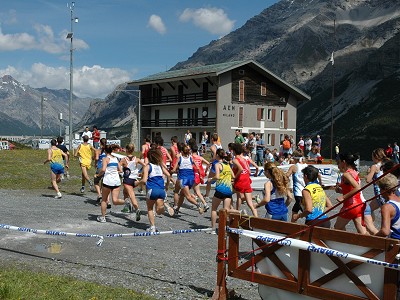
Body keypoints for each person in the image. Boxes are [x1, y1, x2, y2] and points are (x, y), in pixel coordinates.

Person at [139, 148, 173, 232]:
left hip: (152, 190)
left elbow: (144, 180)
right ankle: (165, 206)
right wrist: (167, 185)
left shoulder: (148, 166)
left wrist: (137, 183)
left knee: (150, 208)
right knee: (158, 211)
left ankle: (152, 227)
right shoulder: (160, 166)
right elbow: (168, 174)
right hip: (161, 190)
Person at [334, 153, 367, 234]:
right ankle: (374, 244)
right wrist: (341, 191)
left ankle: (345, 244)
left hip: (350, 205)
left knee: (337, 228)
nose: (338, 164)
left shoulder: (346, 174)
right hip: (359, 205)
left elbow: (358, 188)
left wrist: (343, 197)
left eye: (339, 162)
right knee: (362, 232)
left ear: (344, 162)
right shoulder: (354, 172)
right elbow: (352, 189)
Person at [95, 145, 129, 223]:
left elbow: (103, 169)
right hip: (116, 181)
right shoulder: (116, 159)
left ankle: (103, 217)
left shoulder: (105, 159)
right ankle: (125, 201)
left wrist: (98, 175)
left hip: (107, 181)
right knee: (115, 200)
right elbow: (120, 170)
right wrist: (114, 172)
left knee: (104, 200)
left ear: (105, 151)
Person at [171, 144, 204, 215]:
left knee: (186, 195)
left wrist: (171, 171)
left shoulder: (180, 158)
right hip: (191, 179)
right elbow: (198, 168)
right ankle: (177, 209)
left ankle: (198, 205)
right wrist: (200, 175)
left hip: (183, 179)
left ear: (182, 152)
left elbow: (174, 169)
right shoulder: (191, 158)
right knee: (182, 194)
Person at [210, 149, 236, 232]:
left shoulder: (218, 164)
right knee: (226, 210)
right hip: (228, 190)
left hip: (220, 189)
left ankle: (213, 228)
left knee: (214, 209)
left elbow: (217, 176)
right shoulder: (228, 165)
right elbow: (233, 176)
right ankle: (239, 212)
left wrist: (211, 179)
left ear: (217, 155)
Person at [119, 143, 146, 221]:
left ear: (126, 150)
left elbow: (118, 166)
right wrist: (142, 173)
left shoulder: (124, 159)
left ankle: (137, 209)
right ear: (133, 150)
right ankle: (126, 207)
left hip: (127, 180)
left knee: (131, 195)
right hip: (135, 179)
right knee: (125, 192)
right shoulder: (137, 159)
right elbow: (145, 165)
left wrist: (119, 172)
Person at [231, 143, 258, 217]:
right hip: (246, 181)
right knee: (249, 203)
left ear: (234, 151)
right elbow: (248, 171)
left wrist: (235, 177)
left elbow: (240, 169)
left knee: (227, 194)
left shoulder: (235, 160)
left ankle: (236, 212)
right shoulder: (244, 159)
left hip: (240, 181)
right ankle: (256, 218)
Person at [375, 174, 400, 239]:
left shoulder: (387, 207)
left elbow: (385, 231)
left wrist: (373, 237)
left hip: (394, 243)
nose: (380, 192)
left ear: (384, 190)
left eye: (380, 189)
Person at [286, 150, 308, 222]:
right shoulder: (306, 166)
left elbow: (286, 176)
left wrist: (287, 184)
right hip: (307, 190)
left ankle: (311, 221)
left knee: (304, 209)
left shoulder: (294, 167)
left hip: (298, 191)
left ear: (294, 158)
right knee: (296, 207)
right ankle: (293, 223)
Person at [366, 148, 389, 212]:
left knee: (386, 213)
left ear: (375, 157)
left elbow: (368, 180)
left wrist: (369, 172)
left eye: (372, 156)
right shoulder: (384, 165)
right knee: (367, 210)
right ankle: (370, 222)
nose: (372, 158)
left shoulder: (374, 166)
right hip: (386, 191)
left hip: (379, 193)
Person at [191, 144, 210, 212]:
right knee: (195, 190)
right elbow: (208, 163)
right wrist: (205, 171)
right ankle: (197, 199)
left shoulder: (191, 157)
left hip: (194, 174)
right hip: (200, 175)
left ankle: (204, 204)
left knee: (195, 191)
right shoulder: (200, 157)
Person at [203, 133, 222, 201]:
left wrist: (210, 161)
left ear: (212, 139)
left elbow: (215, 154)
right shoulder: (219, 144)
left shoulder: (213, 147)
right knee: (219, 179)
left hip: (215, 163)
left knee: (209, 180)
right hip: (221, 162)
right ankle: (219, 194)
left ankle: (207, 195)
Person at [94, 138, 107, 204]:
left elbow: (96, 158)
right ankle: (103, 196)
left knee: (96, 181)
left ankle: (99, 194)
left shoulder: (98, 150)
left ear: (100, 143)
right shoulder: (107, 151)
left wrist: (95, 163)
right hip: (106, 167)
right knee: (103, 181)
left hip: (100, 167)